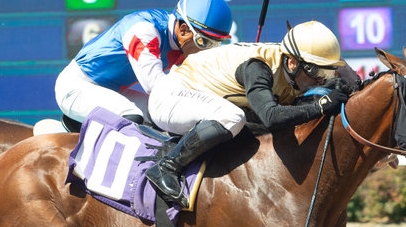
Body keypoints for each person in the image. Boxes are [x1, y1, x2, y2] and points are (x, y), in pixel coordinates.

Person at [144, 20, 351, 206]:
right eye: (316, 72)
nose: (321, 80)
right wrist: (321, 105)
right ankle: (167, 168)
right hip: (170, 97)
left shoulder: (292, 69)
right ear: (292, 63)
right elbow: (271, 117)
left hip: (197, 101)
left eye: (327, 72)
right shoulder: (258, 67)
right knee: (233, 117)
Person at [54, 0, 233, 129]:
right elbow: (155, 88)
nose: (206, 51)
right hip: (76, 87)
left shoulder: (183, 42)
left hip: (113, 91)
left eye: (213, 45)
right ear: (184, 29)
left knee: (168, 121)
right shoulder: (143, 30)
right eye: (203, 42)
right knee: (132, 116)